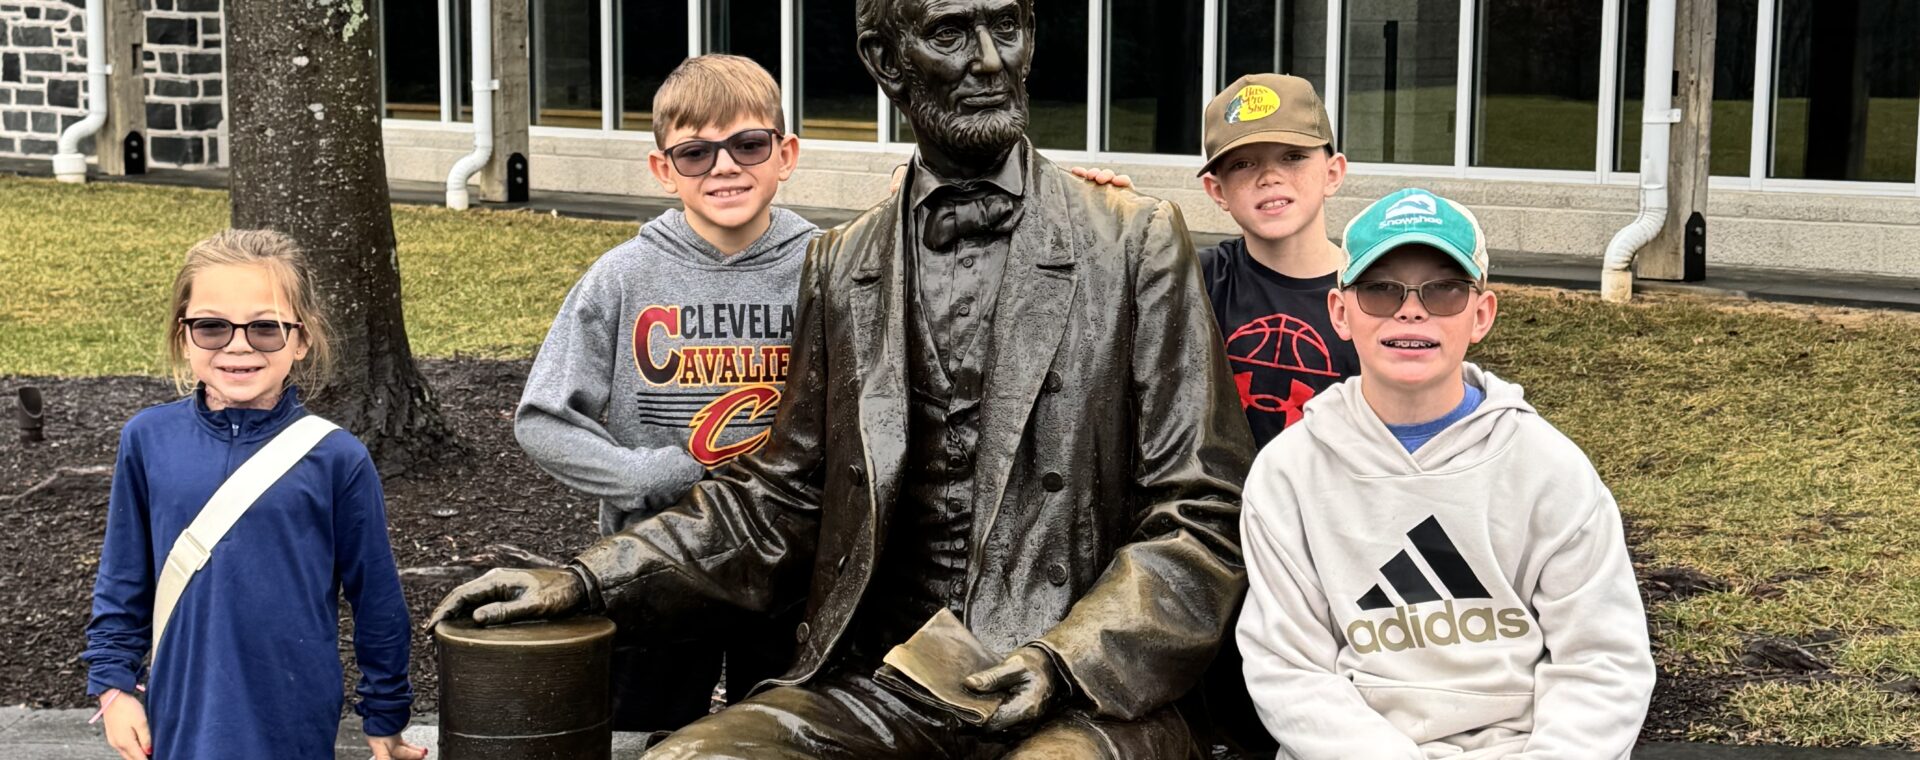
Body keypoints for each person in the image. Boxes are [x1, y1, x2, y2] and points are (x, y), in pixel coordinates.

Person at [428, 0, 1254, 756]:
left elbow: (1202, 507)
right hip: (885, 678)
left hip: (1081, 690)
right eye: (948, 34)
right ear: (885, 59)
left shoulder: (1133, 240)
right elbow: (778, 496)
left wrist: (1066, 659)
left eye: (1007, 28)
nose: (991, 61)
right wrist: (586, 576)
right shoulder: (839, 262)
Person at [1236, 189, 1656, 758]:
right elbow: (1289, 670)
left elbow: (1602, 661)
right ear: (1339, 311)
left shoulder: (1549, 469)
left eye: (1445, 290)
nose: (1412, 310)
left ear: (1481, 314)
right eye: (1381, 289)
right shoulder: (1288, 474)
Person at [512, 53, 812, 733]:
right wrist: (652, 474)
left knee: (782, 736)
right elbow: (542, 419)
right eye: (696, 152)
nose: (725, 167)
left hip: (790, 565)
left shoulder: (828, 267)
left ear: (785, 153)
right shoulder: (622, 276)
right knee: (644, 731)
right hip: (656, 558)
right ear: (662, 169)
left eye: (748, 144)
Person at [82, 229, 423, 760]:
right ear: (183, 335)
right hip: (180, 719)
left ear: (302, 338)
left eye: (265, 329)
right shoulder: (147, 439)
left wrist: (386, 715)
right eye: (212, 326)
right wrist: (114, 688)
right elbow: (123, 581)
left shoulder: (337, 458)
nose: (238, 345)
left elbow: (377, 601)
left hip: (292, 721)